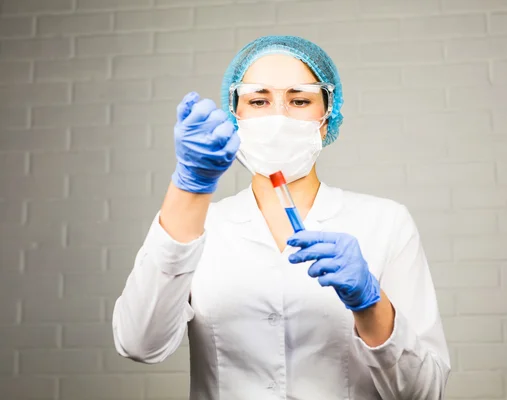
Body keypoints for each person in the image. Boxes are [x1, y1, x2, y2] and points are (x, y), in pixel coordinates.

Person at [112, 35, 451, 400]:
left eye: (300, 99)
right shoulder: (197, 224)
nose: (278, 116)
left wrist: (371, 306)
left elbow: (424, 392)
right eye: (258, 100)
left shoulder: (385, 222)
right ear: (235, 116)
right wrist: (189, 188)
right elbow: (139, 344)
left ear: (326, 117)